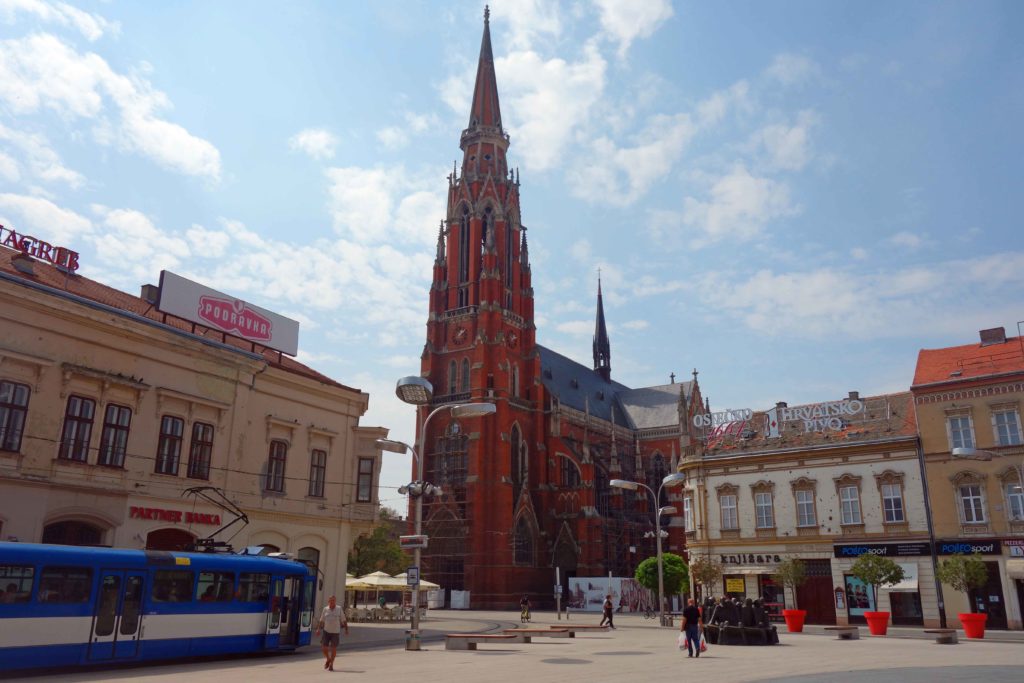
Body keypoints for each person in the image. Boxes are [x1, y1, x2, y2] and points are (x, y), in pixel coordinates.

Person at [315, 595, 348, 671]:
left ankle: (331, 664)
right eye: (330, 600)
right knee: (324, 648)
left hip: (335, 632)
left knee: (333, 648)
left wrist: (346, 629)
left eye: (333, 600)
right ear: (328, 601)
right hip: (326, 631)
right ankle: (328, 659)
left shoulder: (339, 609)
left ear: (335, 601)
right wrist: (318, 629)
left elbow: (344, 619)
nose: (332, 602)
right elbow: (321, 620)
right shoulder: (325, 609)